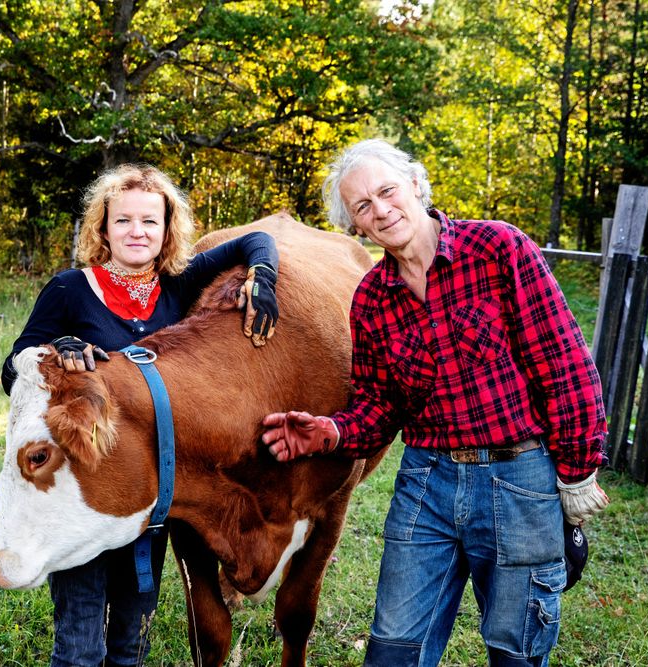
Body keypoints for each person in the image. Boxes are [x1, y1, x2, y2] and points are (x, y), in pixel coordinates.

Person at [260, 139, 609, 667]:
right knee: (393, 650)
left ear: (416, 185)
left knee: (516, 652)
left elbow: (562, 362)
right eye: (363, 206)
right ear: (356, 226)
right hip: (428, 482)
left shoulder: (498, 248)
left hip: (519, 478)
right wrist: (331, 431)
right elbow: (379, 406)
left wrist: (577, 471)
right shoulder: (371, 297)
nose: (381, 210)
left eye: (387, 191)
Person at [2, 163, 280, 667]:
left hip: (149, 491)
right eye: (124, 220)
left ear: (167, 229)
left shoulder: (179, 286)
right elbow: (12, 370)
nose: (137, 231)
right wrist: (52, 350)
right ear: (103, 228)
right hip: (83, 488)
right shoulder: (69, 289)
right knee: (80, 645)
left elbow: (255, 240)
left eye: (150, 221)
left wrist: (264, 276)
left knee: (132, 641)